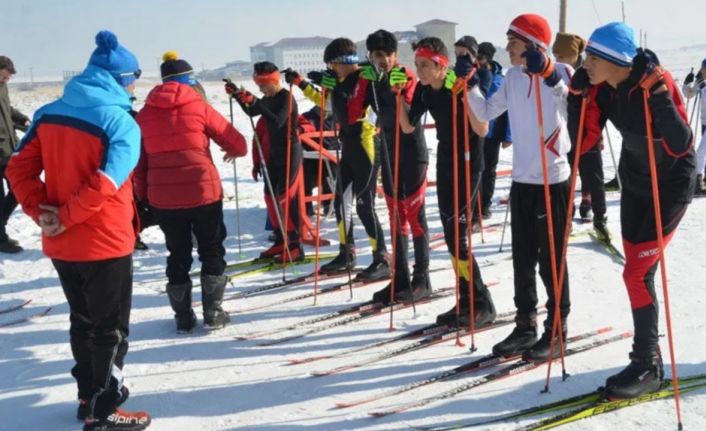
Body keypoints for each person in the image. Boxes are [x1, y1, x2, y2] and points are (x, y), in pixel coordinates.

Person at [6, 30, 151, 430]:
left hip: (63, 243)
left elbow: (17, 167)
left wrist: (44, 213)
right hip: (104, 240)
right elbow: (107, 182)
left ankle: (87, 397)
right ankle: (104, 410)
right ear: (122, 79)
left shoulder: (49, 113)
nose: (136, 84)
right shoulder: (120, 122)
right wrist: (65, 215)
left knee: (82, 320)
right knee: (111, 328)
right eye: (134, 77)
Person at [569, 22, 695, 399]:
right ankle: (647, 359)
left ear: (615, 61)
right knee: (637, 273)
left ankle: (647, 365)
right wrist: (576, 98)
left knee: (637, 273)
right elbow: (582, 141)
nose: (585, 63)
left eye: (592, 57)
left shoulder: (656, 81)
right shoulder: (601, 88)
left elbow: (680, 143)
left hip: (670, 185)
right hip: (636, 183)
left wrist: (658, 95)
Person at [466, 14, 573, 361]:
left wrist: (549, 72)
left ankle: (556, 329)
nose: (508, 48)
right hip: (522, 181)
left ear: (533, 45)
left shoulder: (561, 73)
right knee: (523, 259)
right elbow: (486, 112)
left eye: (513, 42)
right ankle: (526, 325)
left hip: (552, 180)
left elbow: (569, 100)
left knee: (551, 261)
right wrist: (468, 86)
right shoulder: (511, 77)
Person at [136, 51, 247, 332]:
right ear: (189, 81)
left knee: (177, 252)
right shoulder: (199, 107)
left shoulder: (144, 115)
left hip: (164, 198)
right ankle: (213, 312)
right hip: (203, 191)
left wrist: (145, 196)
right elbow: (238, 143)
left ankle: (183, 317)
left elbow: (139, 164)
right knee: (211, 248)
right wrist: (231, 151)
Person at [397, 36, 497, 329]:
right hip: (445, 161)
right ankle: (466, 299)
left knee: (459, 237)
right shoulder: (426, 92)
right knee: (451, 235)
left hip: (468, 162)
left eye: (425, 65)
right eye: (417, 65)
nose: (421, 71)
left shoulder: (458, 82)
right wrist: (401, 95)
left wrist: (466, 91)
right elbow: (407, 125)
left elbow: (482, 128)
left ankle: (482, 302)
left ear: (441, 65)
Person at [284, 38, 390, 282]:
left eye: (332, 65)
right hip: (349, 145)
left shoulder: (365, 76)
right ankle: (347, 253)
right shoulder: (340, 80)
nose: (330, 69)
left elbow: (354, 107)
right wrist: (301, 83)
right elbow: (329, 105)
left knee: (365, 206)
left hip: (366, 145)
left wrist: (333, 85)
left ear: (341, 62)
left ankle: (381, 257)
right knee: (341, 203)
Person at [359, 29, 432, 305]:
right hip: (389, 153)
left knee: (414, 215)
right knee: (394, 216)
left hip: (412, 153)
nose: (380, 61)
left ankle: (422, 277)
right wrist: (358, 83)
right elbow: (357, 112)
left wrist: (398, 88)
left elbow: (410, 113)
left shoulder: (405, 75)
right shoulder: (375, 81)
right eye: (376, 56)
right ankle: (399, 277)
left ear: (393, 55)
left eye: (384, 56)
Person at [226, 61, 304, 261]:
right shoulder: (268, 98)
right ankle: (280, 241)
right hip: (274, 153)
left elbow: (278, 121)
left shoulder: (286, 97)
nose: (261, 89)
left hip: (290, 151)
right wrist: (238, 96)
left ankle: (295, 245)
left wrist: (256, 102)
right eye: (258, 86)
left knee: (285, 198)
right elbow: (253, 112)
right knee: (270, 197)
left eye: (263, 85)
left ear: (273, 80)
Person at [553, 33, 610, 240]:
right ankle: (565, 218)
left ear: (574, 55)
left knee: (593, 179)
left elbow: (599, 110)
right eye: (556, 55)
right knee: (566, 180)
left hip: (588, 136)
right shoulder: (558, 72)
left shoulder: (588, 74)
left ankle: (598, 217)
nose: (558, 59)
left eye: (562, 55)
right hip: (565, 136)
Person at [473, 42, 512, 220]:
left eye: (481, 58)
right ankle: (473, 203)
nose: (478, 62)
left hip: (493, 132)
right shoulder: (473, 75)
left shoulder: (499, 79)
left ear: (488, 59)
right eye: (476, 58)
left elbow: (509, 109)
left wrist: (508, 135)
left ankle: (485, 204)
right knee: (475, 169)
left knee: (489, 169)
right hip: (474, 129)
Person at [0, 55, 30, 253]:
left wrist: (23, 121)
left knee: (19, 189)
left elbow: (6, 110)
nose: (6, 81)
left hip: (9, 149)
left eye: (7, 78)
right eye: (3, 77)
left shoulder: (2, 87)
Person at [682, 58, 706, 194]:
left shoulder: (703, 83)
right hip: (704, 122)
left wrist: (702, 86)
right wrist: (687, 83)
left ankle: (698, 180)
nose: (702, 71)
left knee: (702, 151)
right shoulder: (701, 82)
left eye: (703, 69)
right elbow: (689, 94)